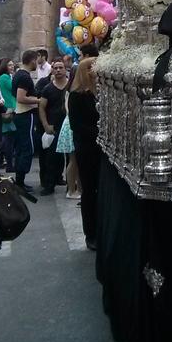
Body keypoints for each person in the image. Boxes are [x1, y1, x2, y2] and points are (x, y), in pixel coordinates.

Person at [68, 57, 100, 250]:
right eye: (91, 68)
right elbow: (76, 125)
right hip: (87, 148)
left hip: (99, 148)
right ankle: (91, 234)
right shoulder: (77, 96)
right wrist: (100, 131)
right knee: (89, 191)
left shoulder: (100, 93)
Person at [37, 59, 69, 195]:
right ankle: (49, 184)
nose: (58, 70)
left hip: (68, 126)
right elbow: (42, 107)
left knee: (68, 156)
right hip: (53, 126)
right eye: (55, 68)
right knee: (51, 157)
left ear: (65, 69)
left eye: (60, 68)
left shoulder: (71, 86)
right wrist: (45, 125)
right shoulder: (47, 88)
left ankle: (62, 179)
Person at [12, 51, 41, 194]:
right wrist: (38, 100)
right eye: (37, 59)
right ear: (33, 60)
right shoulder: (24, 77)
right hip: (25, 114)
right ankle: (20, 181)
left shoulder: (18, 74)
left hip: (20, 114)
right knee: (27, 148)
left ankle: (19, 180)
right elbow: (21, 97)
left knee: (22, 147)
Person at [0, 59, 17, 172]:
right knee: (8, 137)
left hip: (11, 106)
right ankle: (8, 163)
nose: (12, 67)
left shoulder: (7, 77)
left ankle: (7, 162)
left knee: (10, 137)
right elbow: (14, 88)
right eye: (9, 65)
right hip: (9, 108)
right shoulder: (4, 77)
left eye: (13, 65)